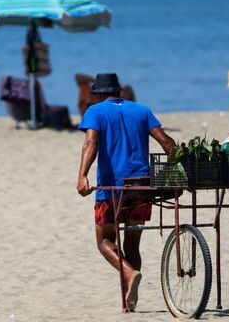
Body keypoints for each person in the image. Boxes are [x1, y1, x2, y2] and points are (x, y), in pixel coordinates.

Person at [76, 73, 177, 313]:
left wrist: (82, 175)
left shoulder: (95, 111)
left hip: (112, 190)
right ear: (120, 91)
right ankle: (128, 302)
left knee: (104, 241)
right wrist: (177, 165)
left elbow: (91, 143)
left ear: (98, 94)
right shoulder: (142, 110)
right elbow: (166, 142)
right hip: (143, 187)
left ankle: (131, 275)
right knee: (132, 245)